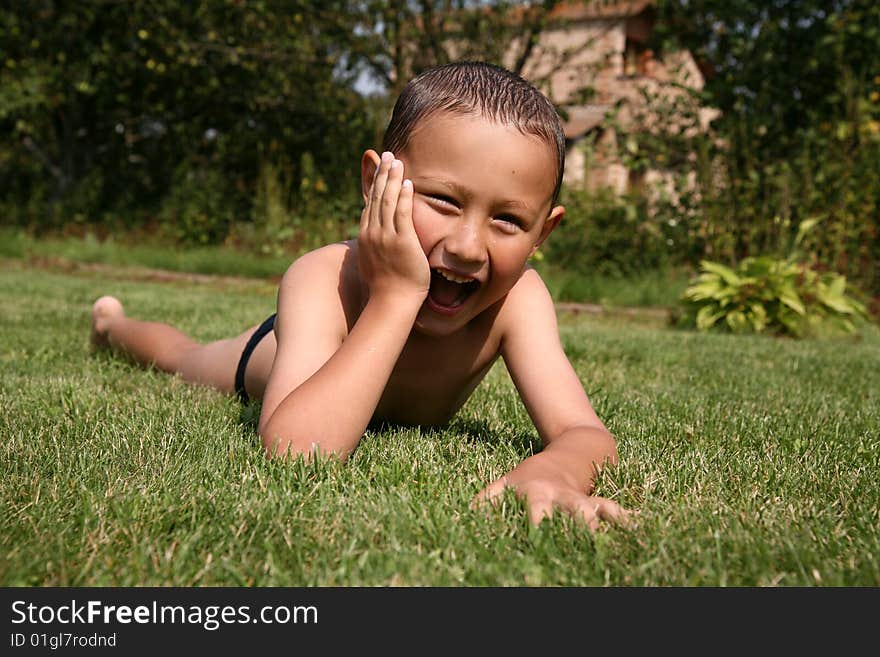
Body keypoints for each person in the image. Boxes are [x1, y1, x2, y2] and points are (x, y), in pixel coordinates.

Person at [91, 61, 628, 529]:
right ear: (376, 184)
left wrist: (551, 470)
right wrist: (395, 298)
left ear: (543, 233)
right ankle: (111, 326)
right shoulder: (322, 277)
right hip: (272, 356)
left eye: (508, 219)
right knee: (183, 357)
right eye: (442, 201)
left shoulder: (520, 301)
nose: (467, 247)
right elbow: (297, 454)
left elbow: (584, 432)